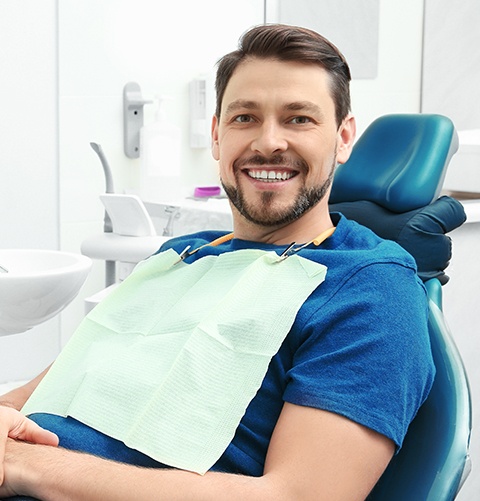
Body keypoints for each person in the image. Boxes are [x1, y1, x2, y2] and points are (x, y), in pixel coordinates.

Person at [0, 24, 434, 500]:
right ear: (216, 135)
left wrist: (26, 465)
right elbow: (43, 390)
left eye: (299, 119)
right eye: (245, 118)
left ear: (344, 136)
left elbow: (301, 496)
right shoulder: (179, 256)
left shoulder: (369, 290)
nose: (268, 142)